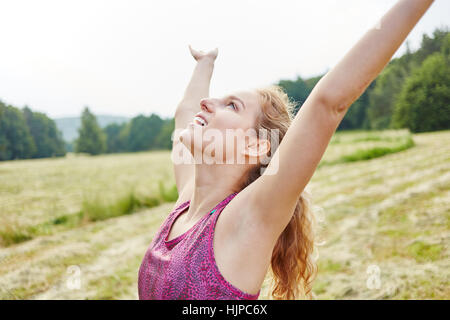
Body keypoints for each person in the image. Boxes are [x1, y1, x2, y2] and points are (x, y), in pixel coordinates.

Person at [138, 0, 435, 300]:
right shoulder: (186, 200)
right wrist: (205, 63)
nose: (207, 103)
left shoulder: (249, 217)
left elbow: (329, 102)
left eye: (231, 105)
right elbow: (187, 111)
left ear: (256, 146)